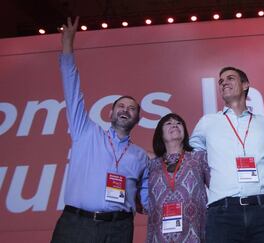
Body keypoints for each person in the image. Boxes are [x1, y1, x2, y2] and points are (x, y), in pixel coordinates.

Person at [51, 17, 148, 243]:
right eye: (121, 106)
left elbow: (146, 199)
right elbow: (72, 91)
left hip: (119, 228)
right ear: (110, 113)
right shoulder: (86, 132)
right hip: (76, 226)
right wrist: (67, 47)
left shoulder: (141, 157)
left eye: (131, 108)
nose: (125, 110)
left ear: (138, 118)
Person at [190, 67, 264, 243]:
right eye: (221, 81)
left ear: (245, 85)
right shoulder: (207, 123)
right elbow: (193, 155)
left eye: (230, 78)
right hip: (223, 212)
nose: (224, 82)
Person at [146, 113, 210, 243]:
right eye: (169, 123)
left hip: (193, 234)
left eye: (179, 123)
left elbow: (218, 188)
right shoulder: (151, 164)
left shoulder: (199, 158)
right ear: (160, 134)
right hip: (159, 235)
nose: (174, 125)